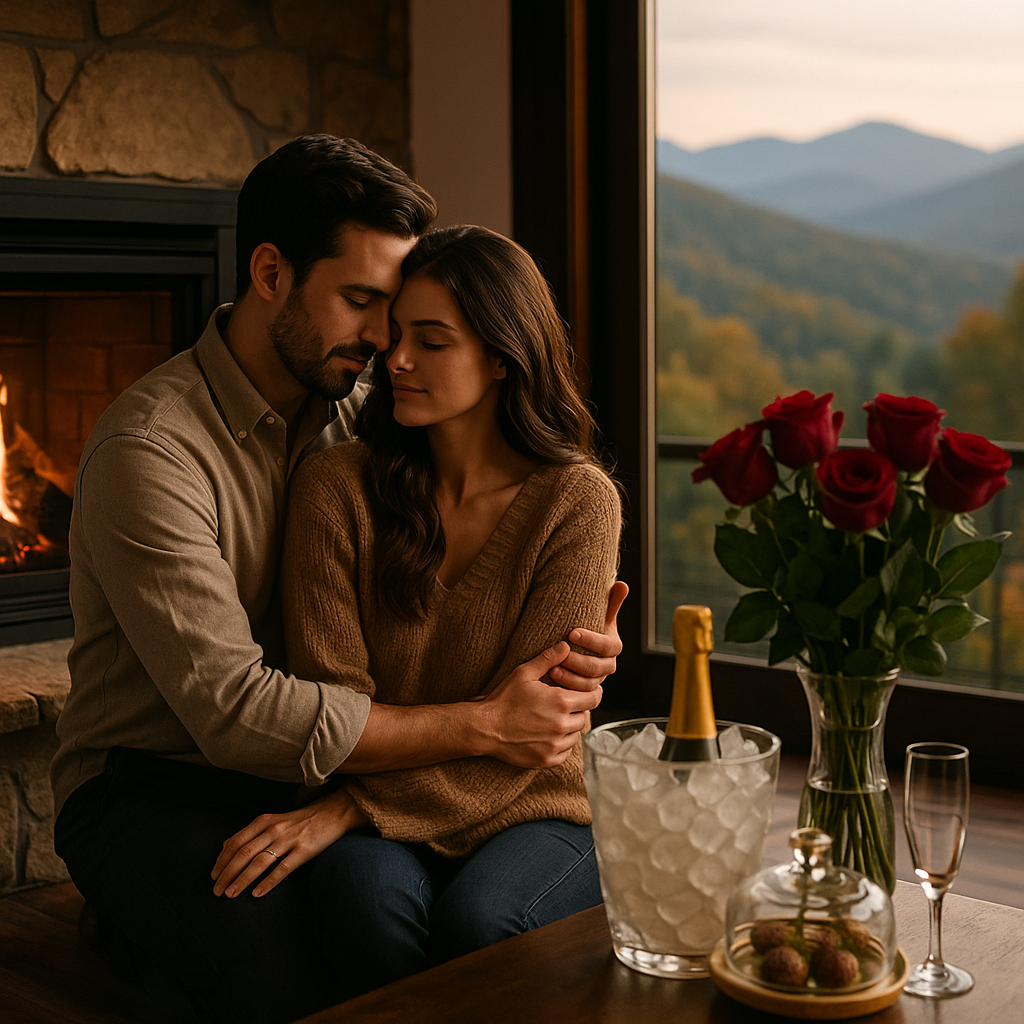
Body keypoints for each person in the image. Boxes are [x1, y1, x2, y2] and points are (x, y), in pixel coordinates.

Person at [50, 137, 625, 1024]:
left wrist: (573, 649)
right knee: (295, 975)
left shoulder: (371, 405)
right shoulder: (151, 452)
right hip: (153, 776)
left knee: (390, 934)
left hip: (310, 770)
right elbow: (237, 711)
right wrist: (486, 721)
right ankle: (139, 922)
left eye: (397, 316)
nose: (386, 345)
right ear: (271, 272)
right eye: (362, 302)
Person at [209, 224, 622, 996]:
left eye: (431, 341)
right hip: (380, 796)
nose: (394, 360)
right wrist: (367, 799)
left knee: (481, 922)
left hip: (534, 805)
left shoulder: (577, 501)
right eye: (395, 335)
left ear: (503, 355)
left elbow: (533, 740)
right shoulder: (337, 487)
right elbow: (339, 708)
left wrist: (345, 813)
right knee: (365, 902)